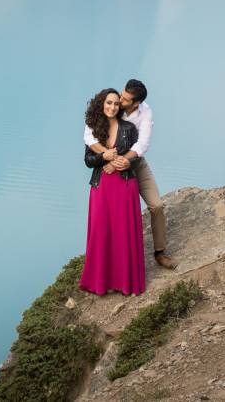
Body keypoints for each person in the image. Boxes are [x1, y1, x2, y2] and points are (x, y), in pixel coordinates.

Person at [83, 77, 176, 270]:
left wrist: (124, 161)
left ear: (136, 103)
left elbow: (142, 144)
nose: (120, 101)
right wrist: (107, 158)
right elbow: (89, 135)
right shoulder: (112, 103)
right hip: (110, 162)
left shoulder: (145, 113)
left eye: (125, 100)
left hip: (135, 162)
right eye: (121, 95)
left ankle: (160, 252)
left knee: (157, 206)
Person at [78, 88, 146, 296]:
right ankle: (99, 282)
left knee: (123, 232)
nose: (112, 107)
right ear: (102, 104)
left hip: (124, 185)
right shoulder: (94, 129)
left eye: (116, 104)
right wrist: (104, 157)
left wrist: (124, 163)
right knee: (101, 232)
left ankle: (126, 282)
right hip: (101, 187)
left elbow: (137, 157)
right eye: (109, 103)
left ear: (120, 107)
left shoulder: (129, 128)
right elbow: (88, 161)